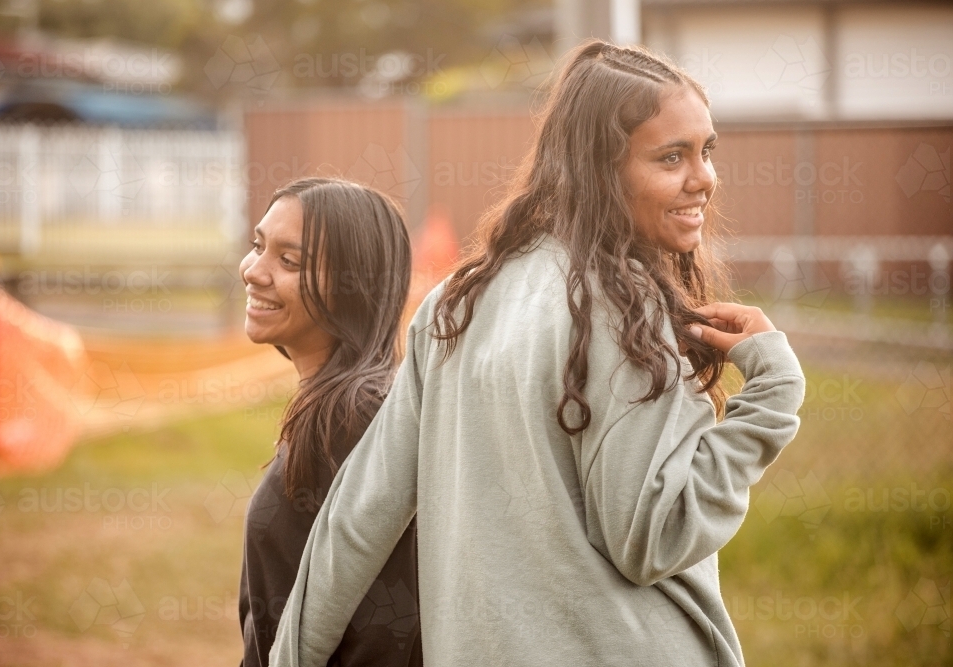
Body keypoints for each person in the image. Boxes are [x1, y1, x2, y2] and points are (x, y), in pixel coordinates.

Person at [270, 41, 806, 667]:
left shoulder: (453, 305)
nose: (704, 178)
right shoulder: (621, 312)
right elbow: (654, 535)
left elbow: (356, 520)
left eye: (706, 150)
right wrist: (771, 393)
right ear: (602, 170)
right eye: (671, 157)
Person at [237, 177, 423, 667]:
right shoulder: (338, 406)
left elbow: (391, 624)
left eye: (288, 261)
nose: (254, 271)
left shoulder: (356, 417)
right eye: (257, 246)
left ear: (351, 285)